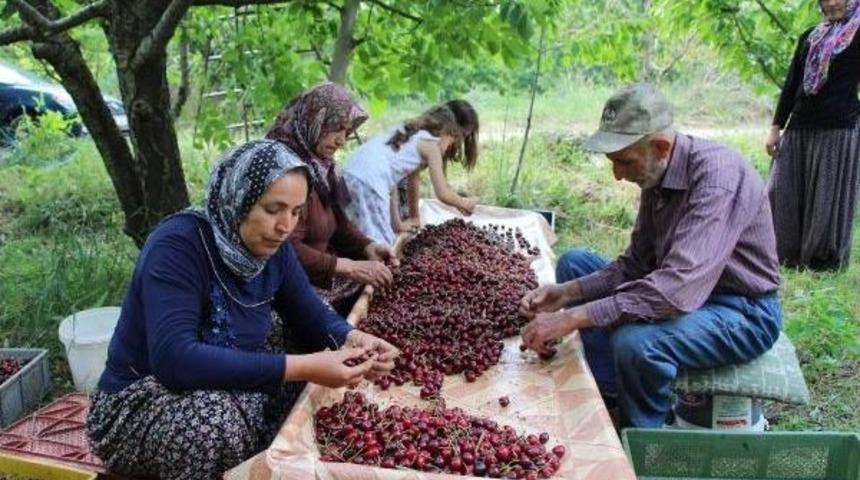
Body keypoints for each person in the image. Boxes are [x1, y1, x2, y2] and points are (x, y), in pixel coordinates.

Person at [86, 140, 398, 480]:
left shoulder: (271, 249)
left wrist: (353, 338)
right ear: (240, 197)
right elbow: (174, 358)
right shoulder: (178, 245)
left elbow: (310, 314)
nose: (285, 226)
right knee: (212, 425)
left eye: (295, 212)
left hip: (225, 383)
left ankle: (257, 453)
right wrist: (306, 366)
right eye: (273, 208)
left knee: (302, 345)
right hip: (144, 400)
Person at [519, 84, 783, 428]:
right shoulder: (658, 173)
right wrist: (565, 294)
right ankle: (611, 393)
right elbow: (636, 265)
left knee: (636, 343)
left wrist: (572, 318)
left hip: (740, 310)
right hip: (686, 292)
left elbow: (675, 289)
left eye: (624, 162)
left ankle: (643, 432)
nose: (617, 174)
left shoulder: (717, 178)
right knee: (574, 264)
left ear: (660, 146)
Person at [266, 82, 397, 314]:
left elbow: (339, 223)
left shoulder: (322, 167)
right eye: (336, 128)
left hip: (321, 275)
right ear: (314, 120)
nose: (341, 140)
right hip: (288, 283)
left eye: (346, 132)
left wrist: (367, 246)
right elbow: (285, 248)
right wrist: (347, 267)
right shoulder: (284, 170)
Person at [766, 0, 860, 270]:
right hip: (800, 125)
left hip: (838, 128)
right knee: (779, 191)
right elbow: (793, 82)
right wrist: (776, 127)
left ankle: (821, 263)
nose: (830, 3)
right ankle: (782, 256)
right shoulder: (811, 36)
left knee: (826, 201)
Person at [341, 99, 480, 244]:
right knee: (381, 246)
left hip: (349, 174)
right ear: (448, 132)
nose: (452, 146)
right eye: (454, 140)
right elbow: (443, 193)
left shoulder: (408, 135)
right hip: (369, 184)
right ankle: (377, 265)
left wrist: (401, 222)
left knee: (356, 234)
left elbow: (397, 183)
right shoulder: (431, 146)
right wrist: (464, 202)